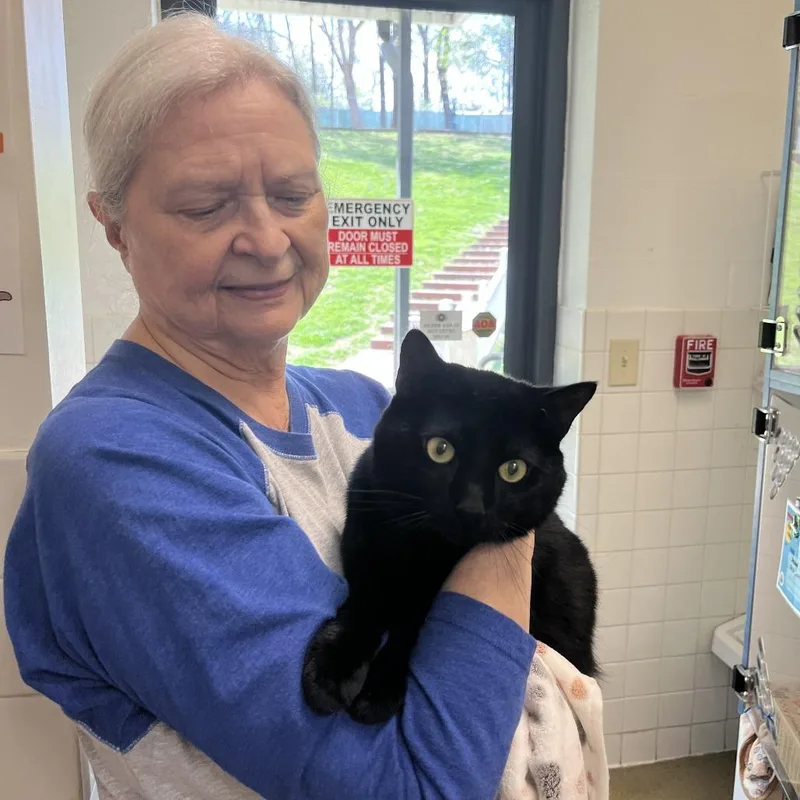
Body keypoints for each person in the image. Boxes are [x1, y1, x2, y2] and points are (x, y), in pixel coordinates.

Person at [3, 13, 536, 800]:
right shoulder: (118, 457)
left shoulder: (363, 407)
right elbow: (417, 787)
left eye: (293, 194)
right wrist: (513, 523)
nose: (267, 239)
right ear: (113, 226)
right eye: (205, 206)